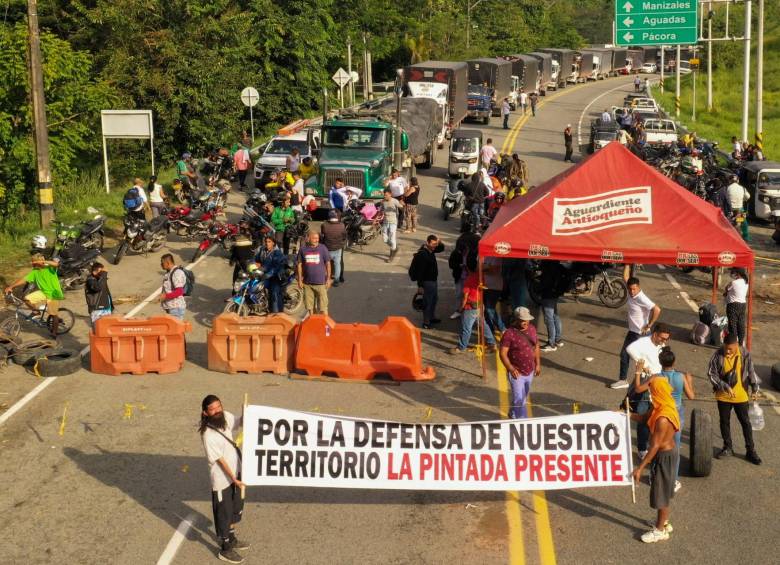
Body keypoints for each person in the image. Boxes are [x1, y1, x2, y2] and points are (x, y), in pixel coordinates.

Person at [634, 347, 694, 492]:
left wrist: (638, 372)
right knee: (674, 446)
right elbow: (691, 396)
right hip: (676, 413)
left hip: (659, 413)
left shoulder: (656, 377)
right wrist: (689, 381)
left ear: (660, 362)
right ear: (674, 362)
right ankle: (673, 480)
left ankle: (654, 476)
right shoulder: (681, 377)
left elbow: (638, 389)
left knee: (655, 445)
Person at [199, 395, 250, 564]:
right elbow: (220, 461)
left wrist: (246, 411)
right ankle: (225, 548)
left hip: (236, 473)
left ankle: (232, 538)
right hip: (223, 479)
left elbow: (240, 422)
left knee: (235, 508)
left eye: (218, 406)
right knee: (224, 513)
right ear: (205, 413)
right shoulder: (208, 435)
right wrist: (234, 478)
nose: (216, 411)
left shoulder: (226, 416)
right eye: (212, 409)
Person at [631, 378, 680, 544]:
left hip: (664, 456)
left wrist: (640, 468)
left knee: (661, 493)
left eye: (652, 392)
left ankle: (660, 530)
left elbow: (654, 446)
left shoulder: (663, 418)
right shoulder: (659, 405)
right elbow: (645, 418)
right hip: (661, 454)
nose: (650, 394)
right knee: (661, 490)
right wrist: (627, 415)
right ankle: (662, 522)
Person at [707, 334, 762, 465]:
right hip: (723, 396)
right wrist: (724, 386)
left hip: (741, 396)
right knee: (724, 422)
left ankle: (750, 450)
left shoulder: (744, 353)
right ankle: (727, 447)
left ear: (737, 346)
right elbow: (711, 374)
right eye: (726, 349)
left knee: (745, 423)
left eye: (730, 349)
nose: (727, 351)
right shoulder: (717, 355)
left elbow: (751, 370)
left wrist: (754, 387)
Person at [626, 323, 672, 459]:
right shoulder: (643, 342)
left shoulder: (661, 346)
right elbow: (629, 349)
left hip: (659, 385)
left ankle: (651, 444)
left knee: (655, 418)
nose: (664, 342)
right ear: (655, 334)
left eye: (666, 339)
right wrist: (643, 365)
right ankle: (642, 448)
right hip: (646, 384)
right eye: (662, 338)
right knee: (644, 417)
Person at [612, 277, 661, 389]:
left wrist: (649, 324)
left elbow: (657, 309)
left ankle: (653, 382)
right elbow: (625, 277)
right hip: (632, 332)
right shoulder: (630, 293)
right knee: (624, 355)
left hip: (641, 334)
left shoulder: (642, 298)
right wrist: (627, 264)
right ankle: (623, 380)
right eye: (630, 289)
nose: (632, 292)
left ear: (639, 287)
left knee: (645, 360)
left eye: (634, 289)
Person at [4, 253, 63, 338]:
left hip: (54, 293)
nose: (32, 263)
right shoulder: (35, 272)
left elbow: (56, 264)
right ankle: (36, 311)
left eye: (34, 262)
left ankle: (54, 333)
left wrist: (43, 261)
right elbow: (24, 280)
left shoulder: (50, 268)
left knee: (53, 314)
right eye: (33, 262)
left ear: (39, 262)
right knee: (26, 299)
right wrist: (11, 287)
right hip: (43, 292)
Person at [499, 307, 541, 418]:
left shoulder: (532, 329)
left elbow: (536, 346)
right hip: (516, 373)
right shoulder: (509, 334)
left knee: (523, 397)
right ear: (516, 319)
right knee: (519, 400)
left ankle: (513, 413)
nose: (525, 322)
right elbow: (502, 353)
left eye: (527, 319)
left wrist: (537, 364)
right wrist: (511, 368)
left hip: (530, 371)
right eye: (523, 320)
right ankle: (522, 423)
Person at [450, 271, 497, 355]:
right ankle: (492, 343)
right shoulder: (480, 275)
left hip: (470, 307)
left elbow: (465, 296)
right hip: (479, 304)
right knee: (483, 325)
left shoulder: (469, 279)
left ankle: (461, 347)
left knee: (466, 328)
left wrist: (460, 308)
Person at [408, 235, 445, 329]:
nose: (434, 246)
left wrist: (439, 242)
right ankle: (426, 322)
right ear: (427, 243)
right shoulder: (423, 254)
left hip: (433, 281)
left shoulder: (430, 250)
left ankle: (431, 317)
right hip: (427, 282)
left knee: (434, 300)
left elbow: (441, 248)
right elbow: (420, 272)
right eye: (433, 244)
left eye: (435, 244)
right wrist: (420, 286)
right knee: (427, 302)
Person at [296, 232, 331, 315]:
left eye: (317, 238)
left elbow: (328, 263)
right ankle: (313, 324)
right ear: (308, 239)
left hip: (321, 283)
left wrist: (328, 279)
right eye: (314, 238)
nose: (317, 240)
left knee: (323, 307)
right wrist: (300, 280)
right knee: (310, 307)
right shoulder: (303, 249)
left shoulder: (323, 248)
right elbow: (299, 265)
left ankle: (324, 325)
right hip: (307, 284)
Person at [539, 260, 566, 351]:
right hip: (555, 294)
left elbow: (544, 283)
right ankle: (558, 339)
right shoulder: (557, 265)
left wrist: (537, 283)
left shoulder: (547, 266)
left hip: (547, 295)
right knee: (555, 316)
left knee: (549, 319)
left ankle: (551, 343)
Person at [257, 236, 286, 313]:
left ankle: (277, 313)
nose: (267, 243)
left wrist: (268, 274)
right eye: (266, 241)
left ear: (273, 243)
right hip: (264, 274)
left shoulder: (277, 253)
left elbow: (276, 267)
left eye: (269, 242)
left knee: (274, 293)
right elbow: (256, 259)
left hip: (275, 276)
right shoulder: (262, 250)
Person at [320, 210, 347, 286]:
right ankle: (337, 280)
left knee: (325, 264)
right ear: (337, 217)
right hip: (338, 248)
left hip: (327, 248)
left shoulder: (324, 225)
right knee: (337, 264)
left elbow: (322, 236)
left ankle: (324, 279)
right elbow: (344, 236)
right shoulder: (342, 225)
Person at [724, 268, 748, 345]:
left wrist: (726, 293)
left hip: (733, 305)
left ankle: (733, 343)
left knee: (732, 325)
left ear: (737, 273)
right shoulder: (746, 282)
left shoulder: (733, 282)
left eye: (733, 272)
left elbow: (726, 289)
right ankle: (740, 343)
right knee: (741, 324)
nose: (732, 274)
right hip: (742, 305)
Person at [84, 262, 113, 327]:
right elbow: (97, 288)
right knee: (99, 331)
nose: (102, 273)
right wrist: (104, 275)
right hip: (97, 310)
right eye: (100, 272)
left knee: (107, 330)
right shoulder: (90, 280)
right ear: (94, 272)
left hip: (106, 308)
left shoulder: (100, 279)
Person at [482, 256, 505, 337]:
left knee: (490, 309)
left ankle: (503, 329)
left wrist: (483, 269)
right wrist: (487, 268)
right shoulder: (483, 256)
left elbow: (495, 270)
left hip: (495, 287)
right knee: (485, 310)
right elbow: (478, 268)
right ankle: (490, 331)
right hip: (484, 286)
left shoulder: (497, 257)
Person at [159, 253, 187, 320]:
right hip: (171, 308)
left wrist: (165, 296)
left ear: (167, 263)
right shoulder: (169, 273)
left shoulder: (177, 273)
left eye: (162, 263)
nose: (161, 265)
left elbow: (179, 291)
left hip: (176, 309)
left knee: (176, 330)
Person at [379, 188, 403, 262]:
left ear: (390, 194)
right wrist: (377, 219)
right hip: (385, 222)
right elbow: (381, 210)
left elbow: (401, 208)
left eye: (386, 195)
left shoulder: (395, 201)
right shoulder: (383, 202)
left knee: (392, 239)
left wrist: (402, 206)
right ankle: (395, 247)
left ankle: (391, 256)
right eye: (384, 195)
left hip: (393, 222)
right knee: (385, 239)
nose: (385, 196)